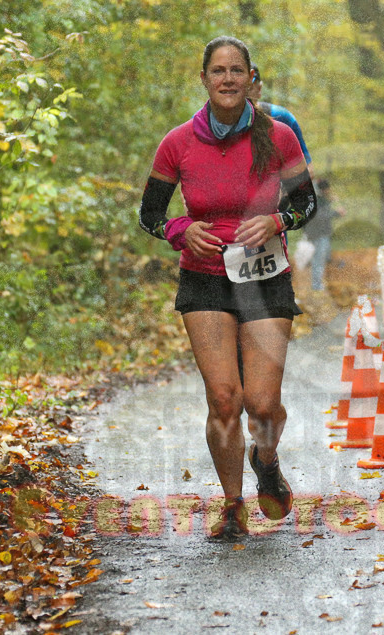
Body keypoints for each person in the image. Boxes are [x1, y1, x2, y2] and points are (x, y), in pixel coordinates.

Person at [138, 36, 316, 541]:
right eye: (218, 70)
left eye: (237, 70)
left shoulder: (278, 136)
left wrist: (277, 221)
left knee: (261, 404)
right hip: (204, 277)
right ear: (204, 79)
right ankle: (233, 505)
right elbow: (150, 213)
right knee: (223, 398)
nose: (228, 79)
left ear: (249, 77)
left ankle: (266, 458)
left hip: (264, 277)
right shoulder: (177, 142)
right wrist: (177, 230)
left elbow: (307, 204)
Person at [248, 63, 312, 171]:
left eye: (248, 89)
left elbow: (307, 168)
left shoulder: (281, 117)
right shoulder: (219, 126)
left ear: (259, 89)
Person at [301, 179, 341, 291]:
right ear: (323, 190)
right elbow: (320, 216)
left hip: (321, 233)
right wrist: (336, 213)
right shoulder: (316, 199)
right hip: (317, 234)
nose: (329, 191)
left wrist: (330, 201)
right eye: (327, 190)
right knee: (318, 259)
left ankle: (319, 264)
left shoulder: (320, 198)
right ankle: (317, 286)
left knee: (323, 255)